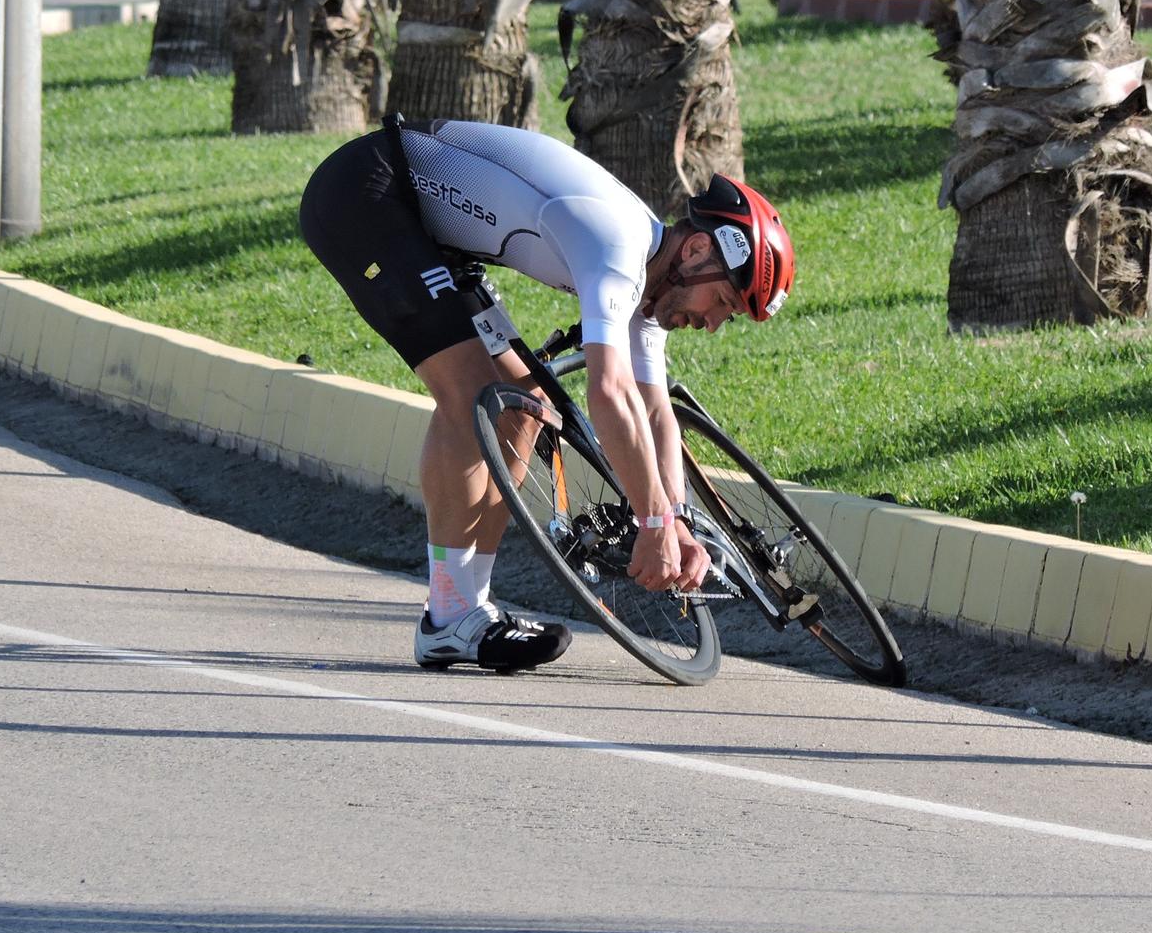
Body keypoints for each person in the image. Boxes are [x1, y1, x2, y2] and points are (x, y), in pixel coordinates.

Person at [300, 117, 796, 675]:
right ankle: (452, 617)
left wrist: (674, 518)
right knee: (475, 397)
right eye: (725, 302)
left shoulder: (653, 286)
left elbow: (654, 411)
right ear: (698, 249)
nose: (711, 324)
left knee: (523, 406)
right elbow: (608, 391)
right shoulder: (617, 246)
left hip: (425, 228)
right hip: (370, 193)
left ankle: (455, 616)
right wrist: (651, 523)